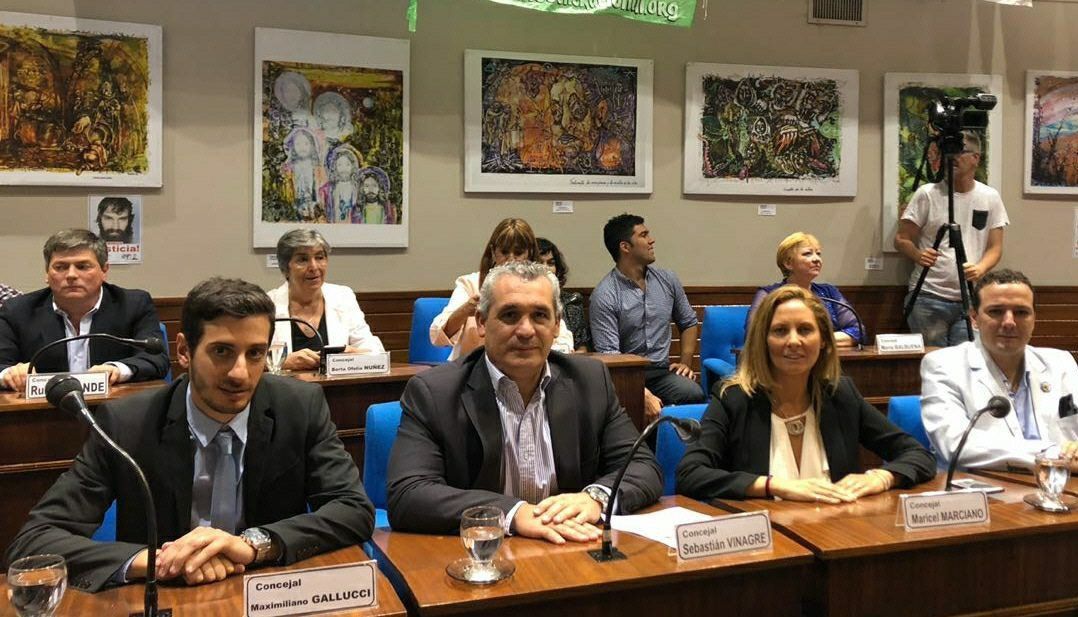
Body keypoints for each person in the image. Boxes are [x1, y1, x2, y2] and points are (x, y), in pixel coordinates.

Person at [5, 277, 375, 592]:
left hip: (268, 592)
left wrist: (254, 545)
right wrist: (159, 561)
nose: (240, 373)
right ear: (184, 351)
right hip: (167, 596)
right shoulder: (128, 422)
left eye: (255, 354)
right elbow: (35, 541)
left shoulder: (299, 406)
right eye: (222, 352)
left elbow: (353, 509)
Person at [388, 262, 661, 541]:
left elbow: (642, 467)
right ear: (481, 322)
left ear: (557, 325)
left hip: (571, 545)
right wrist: (514, 513)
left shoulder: (590, 381)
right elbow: (409, 494)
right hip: (484, 551)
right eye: (510, 315)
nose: (526, 330)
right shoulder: (435, 392)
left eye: (540, 315)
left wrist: (595, 498)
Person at [677, 285, 935, 502]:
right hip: (766, 536)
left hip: (834, 532)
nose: (793, 341)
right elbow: (690, 474)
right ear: (763, 341)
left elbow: (918, 455)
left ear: (823, 340)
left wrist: (881, 477)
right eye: (780, 331)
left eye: (805, 330)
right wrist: (773, 486)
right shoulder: (734, 398)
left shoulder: (840, 394)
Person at [921, 269, 1078, 471]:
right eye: (996, 311)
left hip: (1063, 483)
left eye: (1021, 312)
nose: (1009, 322)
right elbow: (957, 446)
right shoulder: (943, 365)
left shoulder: (1060, 363)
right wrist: (1054, 455)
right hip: (984, 486)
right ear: (974, 318)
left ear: (1034, 319)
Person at [0, 229, 169, 391]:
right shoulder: (18, 311)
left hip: (115, 407)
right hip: (43, 409)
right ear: (47, 274)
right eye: (60, 267)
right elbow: (2, 364)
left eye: (82, 266)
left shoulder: (132, 305)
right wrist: (10, 373)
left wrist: (117, 370)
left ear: (104, 270)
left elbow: (156, 359)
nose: (71, 275)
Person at [894, 130, 1008, 347]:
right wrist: (918, 255)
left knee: (967, 359)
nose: (953, 157)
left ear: (976, 158)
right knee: (934, 359)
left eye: (960, 151)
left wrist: (981, 268)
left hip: (970, 297)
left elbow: (995, 247)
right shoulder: (927, 193)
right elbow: (901, 239)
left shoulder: (990, 197)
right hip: (929, 295)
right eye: (949, 151)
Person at [590, 213, 705, 420]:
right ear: (625, 247)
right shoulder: (605, 294)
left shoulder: (667, 279)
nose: (652, 240)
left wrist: (685, 362)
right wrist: (641, 393)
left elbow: (688, 322)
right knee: (634, 406)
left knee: (692, 392)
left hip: (661, 372)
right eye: (644, 235)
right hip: (624, 375)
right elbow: (610, 357)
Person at [430, 218, 573, 361]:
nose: (510, 259)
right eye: (504, 252)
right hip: (472, 368)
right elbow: (438, 337)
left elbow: (563, 341)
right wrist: (466, 309)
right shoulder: (469, 284)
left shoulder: (544, 284)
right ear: (493, 252)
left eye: (518, 253)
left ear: (529, 253)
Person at [268, 229, 384, 371]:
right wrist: (283, 362)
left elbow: (375, 353)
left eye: (319, 257)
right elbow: (252, 358)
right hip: (286, 384)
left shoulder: (343, 297)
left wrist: (352, 355)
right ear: (285, 268)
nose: (314, 267)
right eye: (303, 260)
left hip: (337, 384)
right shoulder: (268, 304)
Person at [748, 232, 861, 348]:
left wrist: (814, 340)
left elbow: (858, 331)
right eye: (807, 254)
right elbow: (755, 334)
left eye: (818, 254)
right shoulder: (768, 295)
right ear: (788, 263)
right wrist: (816, 340)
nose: (816, 259)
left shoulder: (829, 292)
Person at [537, 237, 590, 351]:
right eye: (539, 263)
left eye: (551, 263)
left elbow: (582, 347)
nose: (545, 268)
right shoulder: (524, 302)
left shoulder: (572, 302)